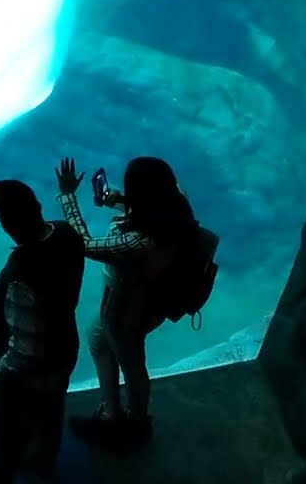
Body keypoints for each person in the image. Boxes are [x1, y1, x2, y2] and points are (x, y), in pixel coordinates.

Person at [55, 156, 201, 451]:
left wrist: (68, 196)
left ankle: (136, 424)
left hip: (127, 310)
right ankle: (112, 412)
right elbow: (150, 210)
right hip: (150, 301)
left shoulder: (134, 241)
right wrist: (118, 200)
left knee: (132, 363)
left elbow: (82, 244)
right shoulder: (176, 205)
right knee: (98, 339)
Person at [0, 180, 85, 484]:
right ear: (38, 207)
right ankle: (42, 464)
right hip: (65, 347)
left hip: (28, 366)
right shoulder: (65, 234)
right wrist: (67, 196)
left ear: (4, 224)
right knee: (51, 411)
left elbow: (29, 341)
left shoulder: (24, 267)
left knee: (5, 423)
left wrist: (1, 367)